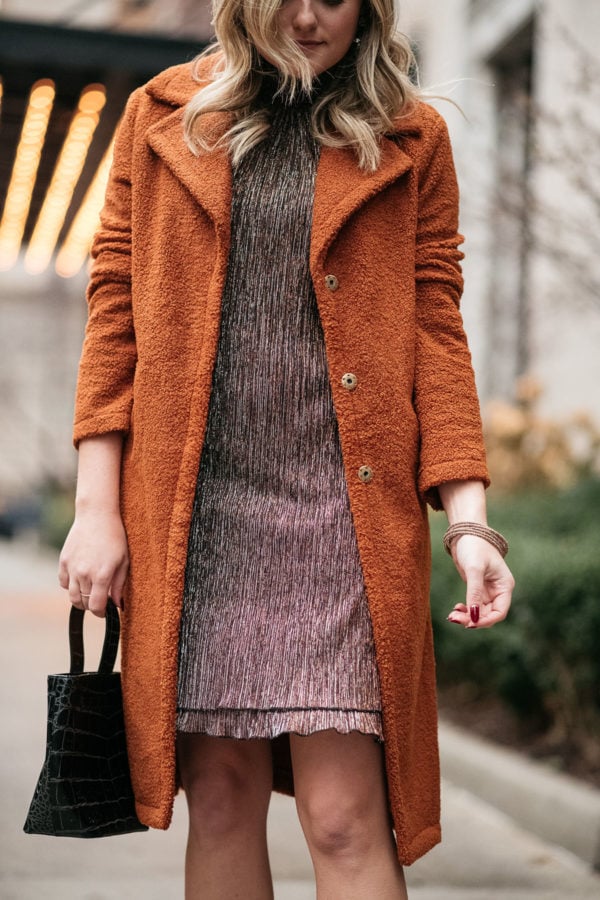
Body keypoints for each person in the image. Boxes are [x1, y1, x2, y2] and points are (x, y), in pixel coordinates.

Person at [58, 1, 514, 897]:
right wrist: (95, 509)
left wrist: (470, 521)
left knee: (344, 817)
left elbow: (436, 327)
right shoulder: (160, 115)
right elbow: (115, 313)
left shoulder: (410, 136)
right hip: (199, 521)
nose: (309, 16)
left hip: (343, 520)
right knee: (221, 802)